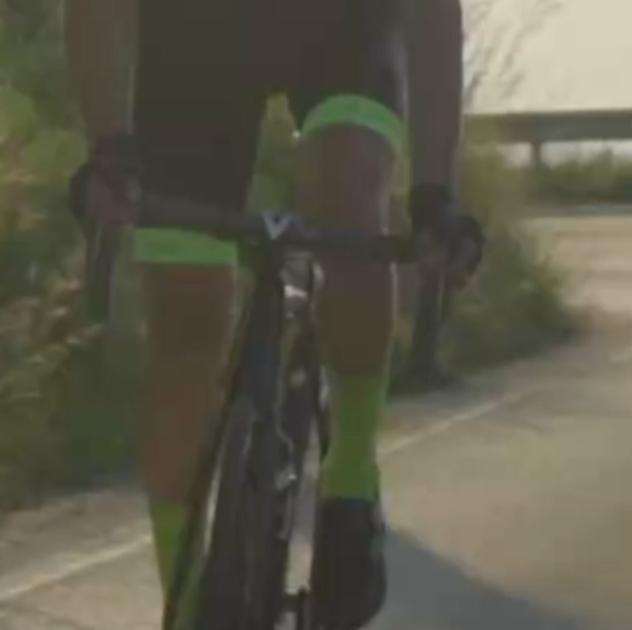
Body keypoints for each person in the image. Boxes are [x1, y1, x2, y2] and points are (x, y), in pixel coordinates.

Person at [64, 0, 476, 627]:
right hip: (198, 33)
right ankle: (190, 598)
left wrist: (433, 196)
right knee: (185, 328)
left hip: (344, 23)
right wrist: (109, 147)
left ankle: (351, 474)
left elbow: (432, 15)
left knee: (349, 198)